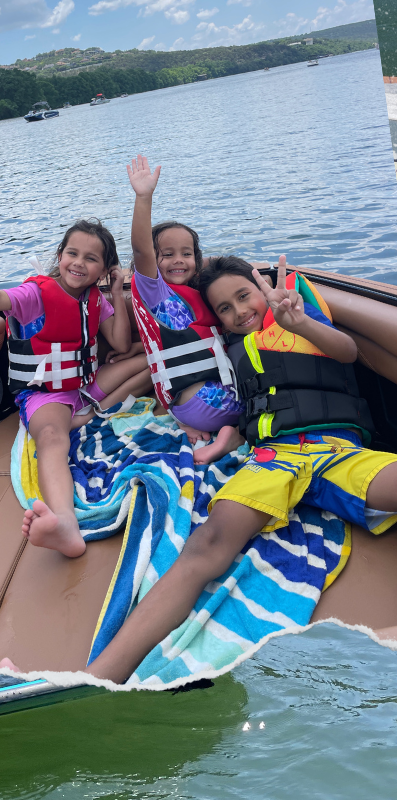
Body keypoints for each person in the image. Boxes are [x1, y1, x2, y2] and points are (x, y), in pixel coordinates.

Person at [86, 255, 396, 684]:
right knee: (206, 544)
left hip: (336, 449)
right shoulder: (230, 350)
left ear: (261, 291)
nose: (238, 312)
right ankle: (97, 677)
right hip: (274, 458)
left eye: (243, 296)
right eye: (225, 309)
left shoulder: (298, 319)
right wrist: (224, 440)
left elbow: (347, 352)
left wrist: (297, 322)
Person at [0, 216, 146, 558]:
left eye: (91, 259)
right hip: (45, 395)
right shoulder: (36, 293)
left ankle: (84, 415)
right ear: (60, 255)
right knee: (51, 439)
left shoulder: (96, 299)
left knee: (150, 363)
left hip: (83, 389)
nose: (79, 263)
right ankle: (64, 523)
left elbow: (121, 343)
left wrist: (117, 289)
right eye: (72, 253)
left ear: (104, 268)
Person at [126, 156, 240, 464]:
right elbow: (140, 250)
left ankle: (196, 424)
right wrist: (143, 197)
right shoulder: (158, 294)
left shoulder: (194, 296)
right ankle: (234, 437)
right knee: (272, 404)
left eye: (186, 254)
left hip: (188, 405)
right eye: (167, 254)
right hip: (211, 403)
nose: (178, 260)